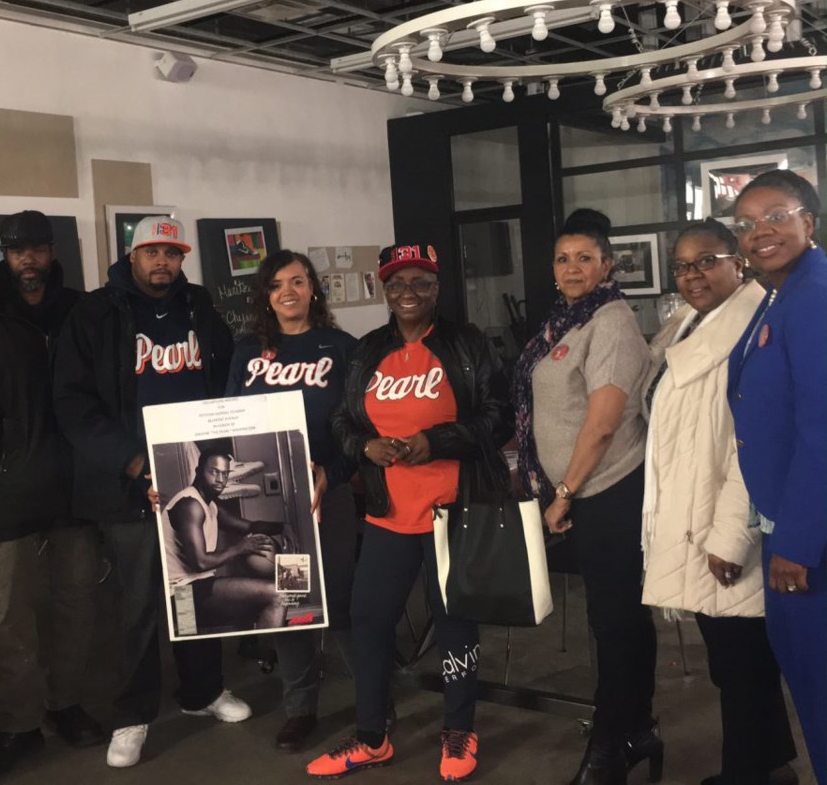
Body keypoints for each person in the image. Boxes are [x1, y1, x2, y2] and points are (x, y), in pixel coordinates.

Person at [307, 242, 511, 783]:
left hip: (454, 509)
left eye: (421, 282)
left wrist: (438, 440)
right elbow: (342, 422)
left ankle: (458, 727)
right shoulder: (368, 350)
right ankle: (372, 737)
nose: (408, 293)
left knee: (454, 625)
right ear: (383, 289)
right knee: (370, 620)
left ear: (437, 289)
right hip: (387, 511)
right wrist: (363, 448)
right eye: (397, 283)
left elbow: (500, 416)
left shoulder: (465, 344)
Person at [52, 216, 250, 770]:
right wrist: (134, 462)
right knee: (138, 603)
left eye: (172, 252)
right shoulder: (94, 313)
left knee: (196, 586)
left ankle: (203, 692)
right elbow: (72, 403)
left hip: (193, 471)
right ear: (131, 255)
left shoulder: (200, 309)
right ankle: (132, 715)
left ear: (182, 257)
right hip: (131, 482)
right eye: (152, 252)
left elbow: (223, 385)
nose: (162, 262)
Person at [0, 210, 105, 782]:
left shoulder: (83, 312)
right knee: (11, 610)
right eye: (17, 251)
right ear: (4, 255)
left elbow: (105, 394)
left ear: (51, 251)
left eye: (36, 249)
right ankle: (18, 723)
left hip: (76, 482)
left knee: (76, 600)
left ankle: (66, 703)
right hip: (11, 483)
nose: (28, 261)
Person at [642, 218, 796, 785]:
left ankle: (748, 774)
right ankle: (771, 762)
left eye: (706, 261)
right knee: (736, 661)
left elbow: (753, 445)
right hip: (692, 513)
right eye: (682, 266)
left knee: (741, 663)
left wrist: (731, 534)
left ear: (738, 262)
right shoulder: (687, 325)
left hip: (727, 523)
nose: (692, 275)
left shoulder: (756, 327)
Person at [512, 208, 656, 785]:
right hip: (577, 491)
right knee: (614, 617)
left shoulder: (612, 321)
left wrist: (564, 493)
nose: (573, 268)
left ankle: (612, 742)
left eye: (585, 258)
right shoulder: (565, 320)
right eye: (563, 259)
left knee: (616, 619)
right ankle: (633, 725)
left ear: (607, 264)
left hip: (608, 490)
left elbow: (601, 423)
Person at [224, 249, 357, 751]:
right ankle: (300, 707)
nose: (288, 292)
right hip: (273, 505)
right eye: (277, 284)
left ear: (313, 289)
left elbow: (358, 427)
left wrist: (335, 472)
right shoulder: (247, 351)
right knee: (292, 603)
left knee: (342, 603)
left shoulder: (341, 347)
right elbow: (229, 423)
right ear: (266, 296)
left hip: (330, 496)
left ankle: (372, 700)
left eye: (298, 281)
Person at [727, 170, 827, 785]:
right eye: (745, 223)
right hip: (784, 522)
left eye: (775, 215)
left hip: (808, 537)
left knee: (820, 685)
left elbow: (822, 429)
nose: (759, 231)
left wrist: (796, 541)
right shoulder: (781, 293)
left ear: (808, 221)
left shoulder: (814, 296)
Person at [163, 448, 285, 631]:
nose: (221, 480)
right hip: (182, 594)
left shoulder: (210, 505)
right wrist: (239, 548)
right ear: (198, 471)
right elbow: (200, 563)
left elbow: (250, 526)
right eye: (213, 472)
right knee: (279, 596)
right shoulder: (190, 505)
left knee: (207, 653)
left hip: (200, 587)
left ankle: (251, 645)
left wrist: (284, 527)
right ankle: (260, 648)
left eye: (225, 473)